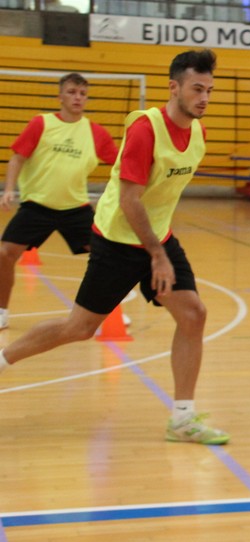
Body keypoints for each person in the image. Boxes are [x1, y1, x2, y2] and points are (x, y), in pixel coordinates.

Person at [0, 49, 229, 446]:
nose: (204, 97)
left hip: (158, 238)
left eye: (209, 90)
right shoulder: (145, 130)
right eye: (197, 88)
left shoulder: (199, 134)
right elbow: (130, 200)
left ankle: (183, 419)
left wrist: (160, 248)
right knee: (79, 328)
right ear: (174, 87)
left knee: (194, 314)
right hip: (119, 242)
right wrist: (156, 255)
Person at [0, 72, 119, 331]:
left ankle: (108, 313)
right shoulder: (40, 124)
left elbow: (121, 165)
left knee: (107, 256)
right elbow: (17, 158)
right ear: (60, 97)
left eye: (83, 94)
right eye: (72, 92)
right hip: (37, 207)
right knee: (4, 254)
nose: (78, 98)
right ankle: (1, 312)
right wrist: (9, 189)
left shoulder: (96, 133)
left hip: (75, 209)